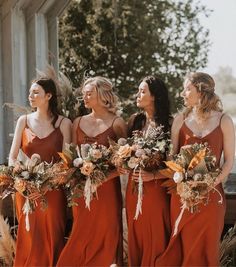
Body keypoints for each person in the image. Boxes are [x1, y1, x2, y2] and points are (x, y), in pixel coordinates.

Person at [155, 72, 235, 266]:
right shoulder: (180, 119)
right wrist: (182, 177)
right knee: (183, 245)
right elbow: (171, 156)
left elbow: (229, 160)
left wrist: (212, 182)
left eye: (187, 88)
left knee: (207, 247)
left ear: (200, 90)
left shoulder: (224, 120)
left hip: (211, 195)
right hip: (182, 195)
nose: (183, 93)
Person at [57, 76, 127, 266]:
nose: (85, 97)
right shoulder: (77, 122)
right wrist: (73, 180)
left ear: (103, 96)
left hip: (107, 193)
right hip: (81, 190)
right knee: (81, 233)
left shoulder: (118, 123)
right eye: (84, 94)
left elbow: (125, 163)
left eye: (89, 94)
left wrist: (102, 178)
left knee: (107, 234)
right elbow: (70, 157)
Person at [9, 77, 72, 267]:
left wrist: (48, 182)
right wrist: (23, 183)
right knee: (29, 238)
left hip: (52, 192)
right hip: (26, 192)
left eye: (36, 92)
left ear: (49, 96)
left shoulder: (64, 123)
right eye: (30, 92)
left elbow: (67, 161)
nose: (30, 96)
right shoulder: (23, 121)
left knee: (53, 238)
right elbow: (12, 158)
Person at [125, 76, 171, 266]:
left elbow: (175, 165)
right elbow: (124, 152)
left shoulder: (169, 123)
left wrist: (153, 175)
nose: (138, 95)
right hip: (133, 188)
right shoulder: (135, 121)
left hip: (157, 189)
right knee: (136, 234)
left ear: (155, 96)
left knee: (156, 235)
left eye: (143, 91)